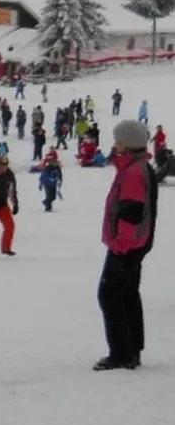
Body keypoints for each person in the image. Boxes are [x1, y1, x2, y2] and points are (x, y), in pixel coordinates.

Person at [95, 120, 158, 371]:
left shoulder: (133, 172)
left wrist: (120, 246)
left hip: (127, 246)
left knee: (109, 296)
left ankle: (122, 353)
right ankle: (132, 349)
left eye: (118, 139)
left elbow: (132, 213)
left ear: (128, 143)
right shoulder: (137, 166)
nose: (115, 143)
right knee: (127, 294)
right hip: (135, 245)